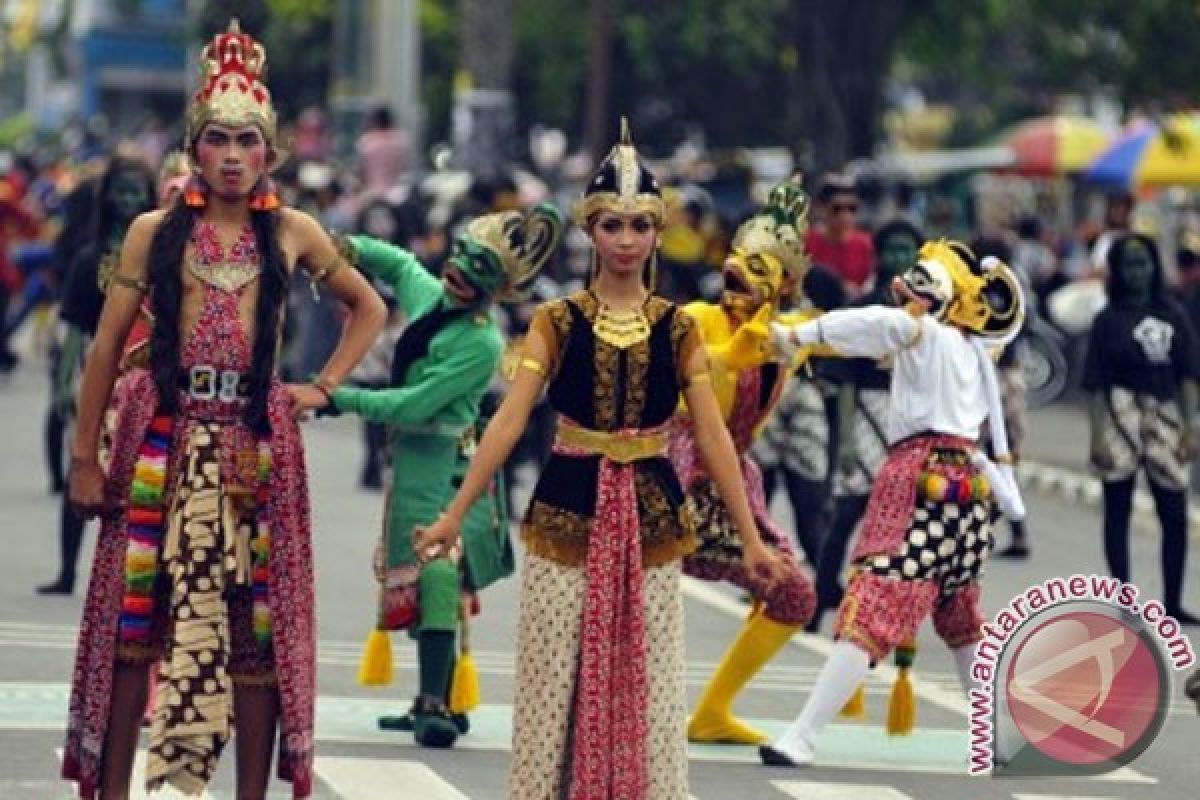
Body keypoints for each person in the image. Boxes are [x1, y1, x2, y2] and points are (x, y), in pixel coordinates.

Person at [62, 21, 387, 799]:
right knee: (134, 628)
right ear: (194, 150)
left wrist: (323, 386)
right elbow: (105, 352)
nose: (233, 155)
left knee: (257, 636)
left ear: (270, 154)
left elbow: (367, 308)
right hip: (159, 439)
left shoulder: (294, 232)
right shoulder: (152, 233)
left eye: (248, 140)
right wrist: (84, 458)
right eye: (217, 139)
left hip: (254, 444)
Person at [415, 119, 784, 800]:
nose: (625, 240)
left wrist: (754, 539)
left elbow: (712, 438)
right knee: (555, 672)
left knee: (648, 674)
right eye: (611, 225)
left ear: (655, 233)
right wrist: (451, 516)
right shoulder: (556, 321)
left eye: (639, 226)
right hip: (567, 505)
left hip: (651, 512)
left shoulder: (678, 328)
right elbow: (508, 422)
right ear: (591, 230)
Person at [761, 239, 1026, 767]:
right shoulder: (975, 351)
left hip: (922, 477)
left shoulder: (924, 333)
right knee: (960, 615)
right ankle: (995, 737)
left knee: (875, 603)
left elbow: (877, 325)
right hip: (969, 493)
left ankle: (803, 734)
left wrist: (800, 336)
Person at [332, 203, 563, 748]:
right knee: (416, 570)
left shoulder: (480, 344)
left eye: (479, 266)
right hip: (412, 462)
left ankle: (438, 701)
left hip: (445, 464)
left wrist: (335, 397)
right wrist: (341, 248)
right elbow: (398, 263)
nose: (460, 269)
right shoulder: (432, 298)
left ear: (497, 286)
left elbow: (415, 405)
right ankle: (429, 699)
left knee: (437, 569)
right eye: (461, 255)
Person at [669, 180, 819, 746]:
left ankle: (711, 712)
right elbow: (679, 358)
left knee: (793, 595)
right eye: (737, 262)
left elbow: (850, 338)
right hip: (671, 477)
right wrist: (728, 357)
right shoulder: (700, 318)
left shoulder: (784, 338)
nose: (738, 272)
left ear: (783, 284)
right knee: (626, 589)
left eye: (758, 268)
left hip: (731, 487)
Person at [38, 156, 157, 596]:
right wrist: (64, 385)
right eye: (121, 192)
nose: (129, 200)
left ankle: (132, 578)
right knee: (83, 467)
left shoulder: (163, 254)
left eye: (137, 192)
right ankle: (68, 571)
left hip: (145, 378)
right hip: (100, 372)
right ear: (106, 198)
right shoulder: (91, 260)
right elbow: (74, 332)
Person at [1085, 233, 1200, 625]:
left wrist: (1191, 426)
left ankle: (1173, 600)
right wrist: (1098, 435)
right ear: (1116, 271)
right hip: (1119, 412)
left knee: (1175, 511)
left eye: (1144, 263)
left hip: (1165, 413)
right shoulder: (1106, 321)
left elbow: (1188, 375)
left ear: (1155, 267)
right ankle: (1124, 599)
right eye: (1129, 264)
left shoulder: (1175, 315)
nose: (1137, 272)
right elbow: (1096, 383)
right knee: (1117, 509)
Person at [814, 219, 924, 628]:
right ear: (878, 256)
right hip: (866, 414)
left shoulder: (935, 317)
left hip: (912, 420)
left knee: (907, 524)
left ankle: (891, 610)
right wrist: (844, 441)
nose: (899, 258)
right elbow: (843, 382)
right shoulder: (863, 311)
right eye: (891, 250)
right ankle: (823, 593)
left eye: (906, 250)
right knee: (847, 512)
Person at [804, 173, 874, 298]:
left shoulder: (865, 244)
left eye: (852, 208)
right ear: (821, 208)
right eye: (837, 209)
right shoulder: (807, 241)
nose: (845, 215)